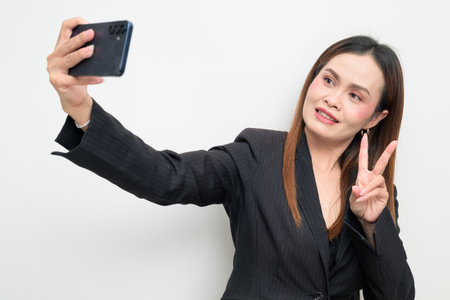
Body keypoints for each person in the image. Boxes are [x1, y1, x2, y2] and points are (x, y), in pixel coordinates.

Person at [47, 17, 415, 300]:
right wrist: (81, 107)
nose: (333, 99)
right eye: (329, 80)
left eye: (355, 95)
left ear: (376, 117)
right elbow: (166, 177)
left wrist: (372, 223)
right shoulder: (257, 153)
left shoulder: (374, 193)